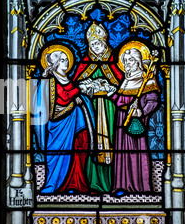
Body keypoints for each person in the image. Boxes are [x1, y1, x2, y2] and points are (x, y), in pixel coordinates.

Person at [36, 44, 95, 194]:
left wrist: (82, 97)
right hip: (58, 124)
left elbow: (74, 97)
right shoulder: (49, 82)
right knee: (56, 155)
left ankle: (76, 184)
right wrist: (78, 92)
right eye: (61, 60)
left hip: (77, 124)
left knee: (78, 151)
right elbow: (63, 98)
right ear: (53, 64)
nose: (66, 62)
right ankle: (53, 185)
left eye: (66, 59)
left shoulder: (68, 80)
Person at [73, 22, 123, 193]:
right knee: (92, 142)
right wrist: (87, 87)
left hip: (111, 109)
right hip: (91, 110)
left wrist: (108, 88)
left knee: (112, 143)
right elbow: (77, 84)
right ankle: (93, 182)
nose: (96, 47)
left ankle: (113, 182)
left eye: (99, 43)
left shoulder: (114, 64)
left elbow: (120, 85)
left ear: (105, 43)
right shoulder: (85, 64)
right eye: (93, 44)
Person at [111, 45, 160, 195]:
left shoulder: (146, 80)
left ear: (138, 62)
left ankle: (140, 186)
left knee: (135, 151)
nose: (127, 64)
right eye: (125, 61)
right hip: (121, 121)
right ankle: (121, 185)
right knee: (121, 153)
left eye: (130, 61)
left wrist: (141, 112)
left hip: (135, 122)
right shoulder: (125, 81)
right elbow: (119, 100)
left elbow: (153, 100)